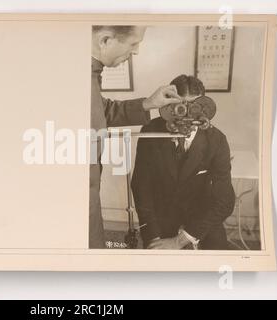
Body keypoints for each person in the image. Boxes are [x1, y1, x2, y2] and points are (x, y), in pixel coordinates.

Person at [90, 25, 182, 248]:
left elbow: (102, 110)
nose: (137, 51)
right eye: (133, 43)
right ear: (105, 40)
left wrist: (148, 103)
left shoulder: (90, 73)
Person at [131, 75, 235, 250]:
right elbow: (141, 186)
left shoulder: (216, 140)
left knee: (217, 259)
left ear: (204, 108)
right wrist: (152, 236)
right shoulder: (150, 131)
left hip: (201, 218)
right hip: (162, 217)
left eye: (193, 109)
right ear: (168, 106)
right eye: (179, 108)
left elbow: (224, 201)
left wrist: (180, 241)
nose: (186, 116)